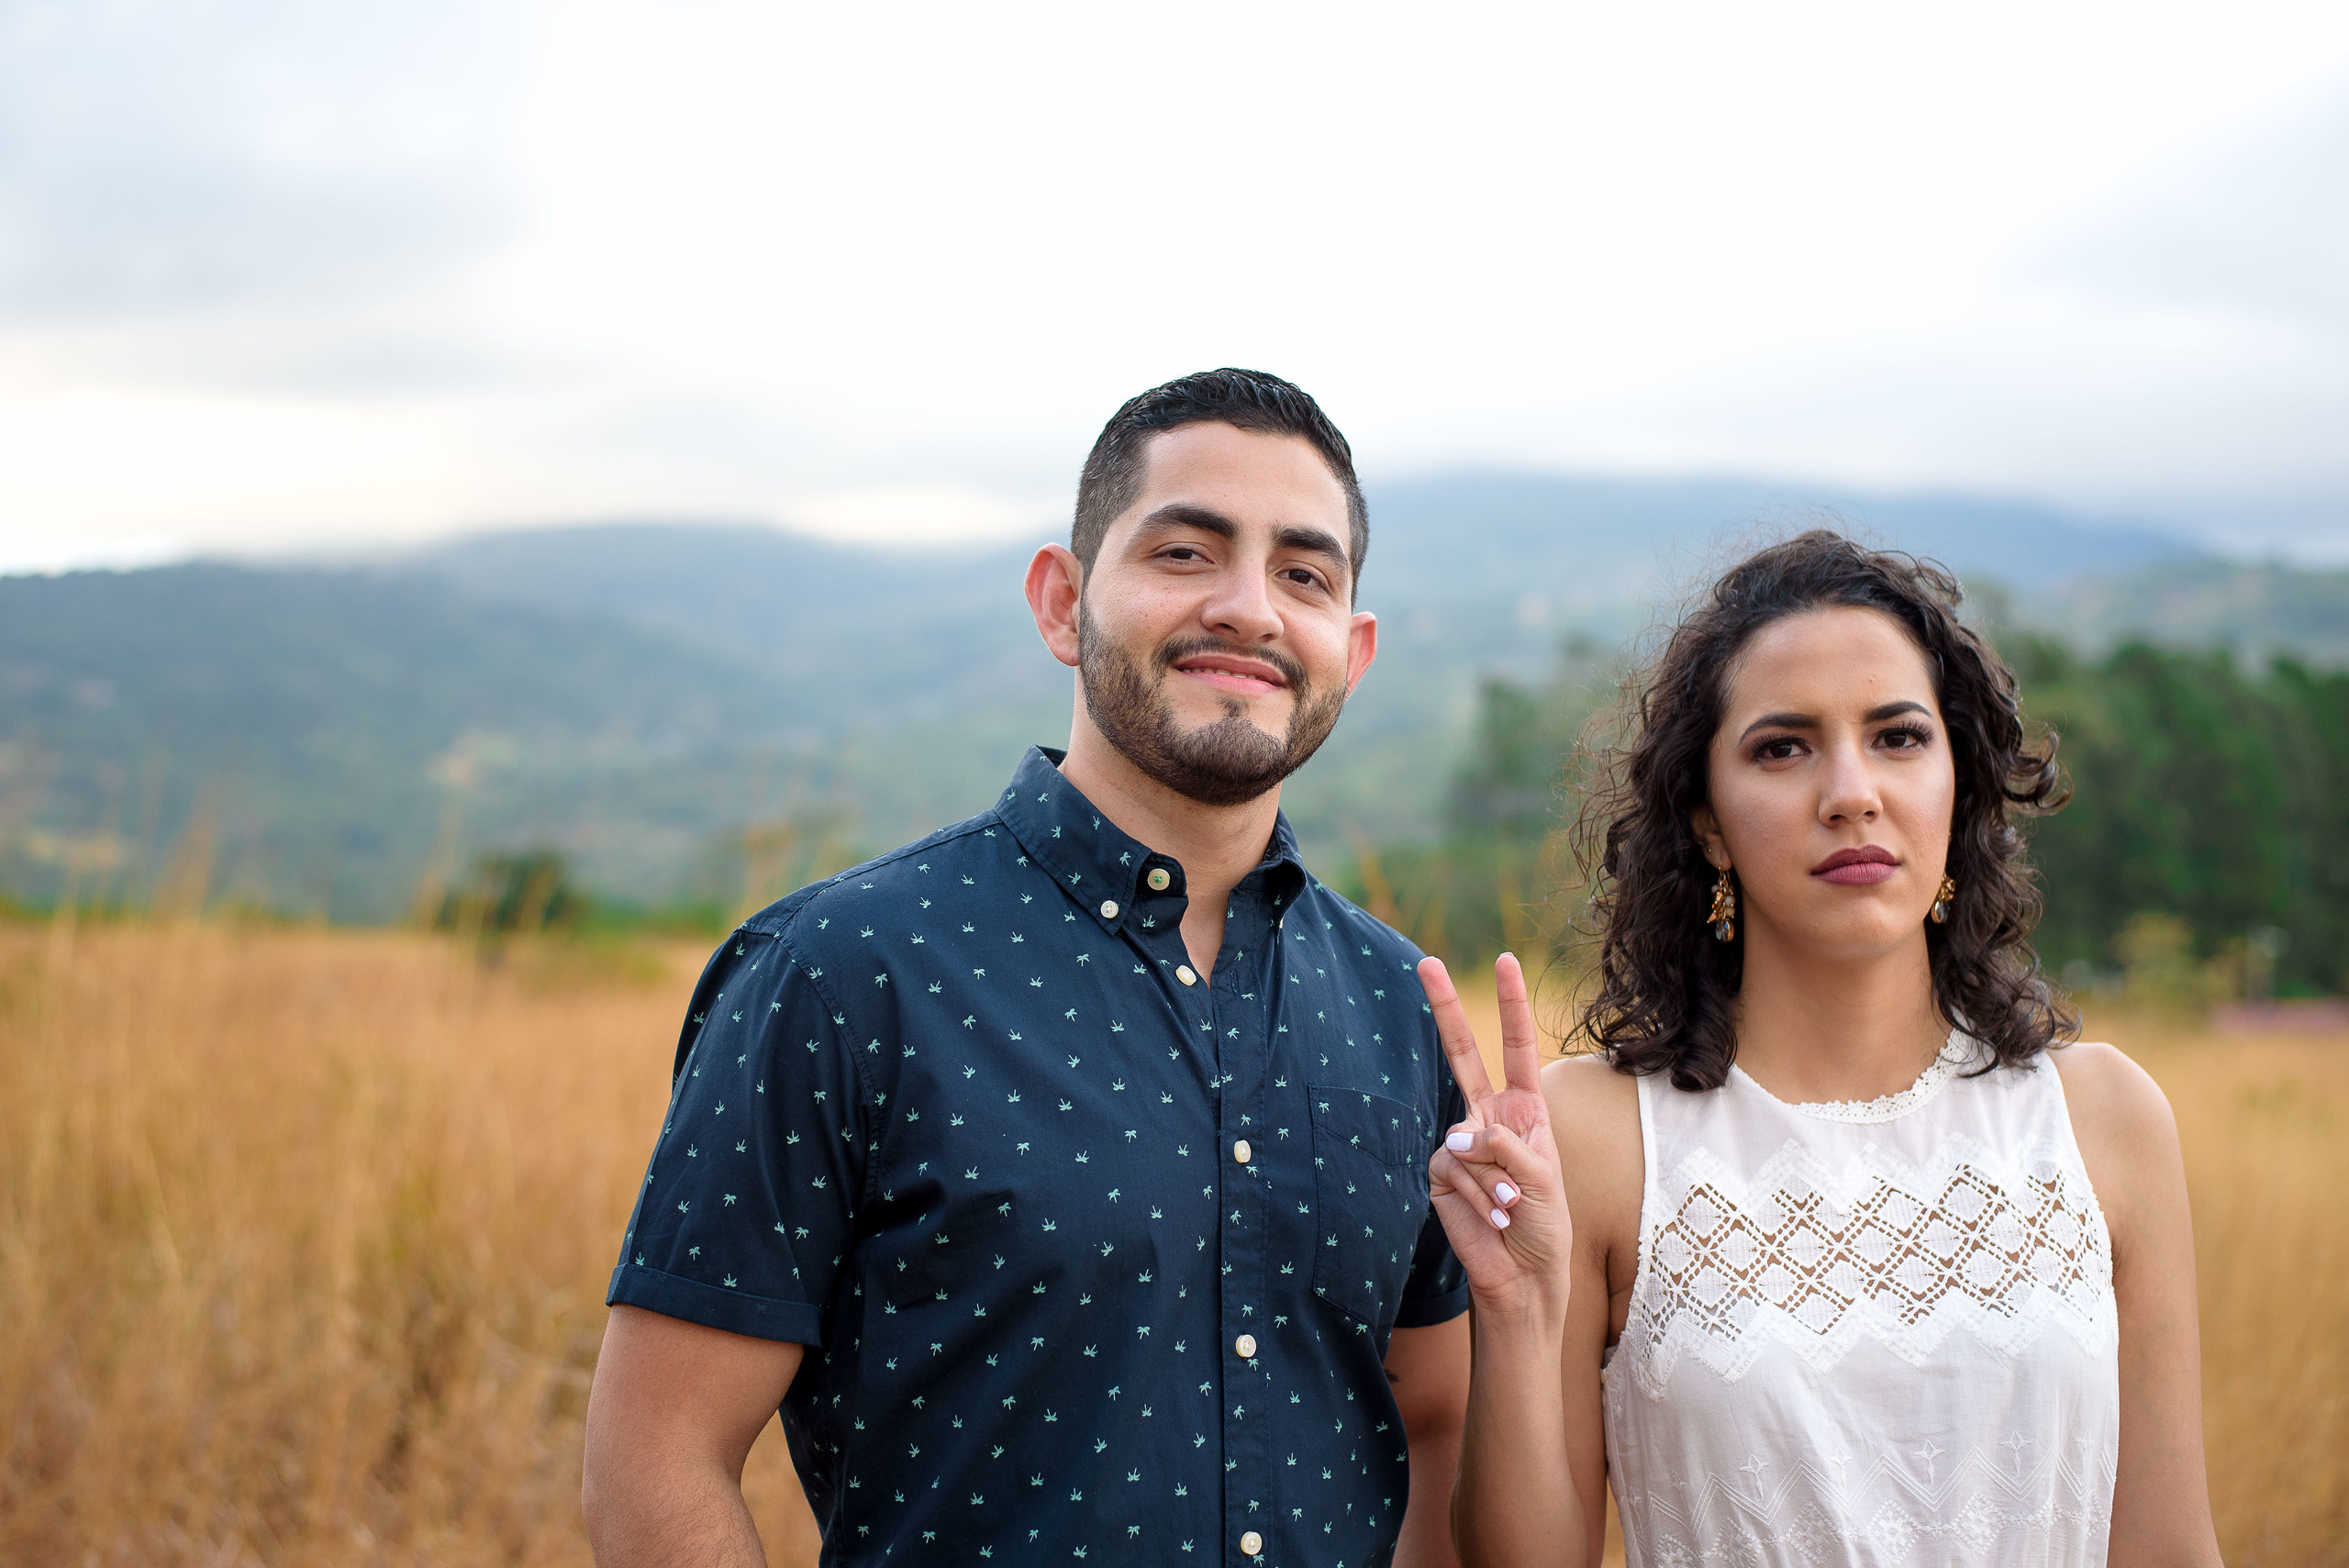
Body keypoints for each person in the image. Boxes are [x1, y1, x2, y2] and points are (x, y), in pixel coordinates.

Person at [581, 368, 1473, 1567]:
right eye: (1185, 552)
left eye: (1303, 574)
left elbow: (1437, 1428)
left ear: (1351, 652)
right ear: (1062, 603)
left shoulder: (1403, 1011)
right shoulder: (843, 971)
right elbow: (656, 1462)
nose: (1252, 609)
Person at [1421, 531, 2222, 1566]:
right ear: (1707, 822)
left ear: (1958, 784)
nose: (1850, 790)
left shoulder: (2103, 1118)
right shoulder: (1598, 1135)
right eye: (1782, 746)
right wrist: (1518, 1310)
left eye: (1896, 737)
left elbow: (2169, 1544)